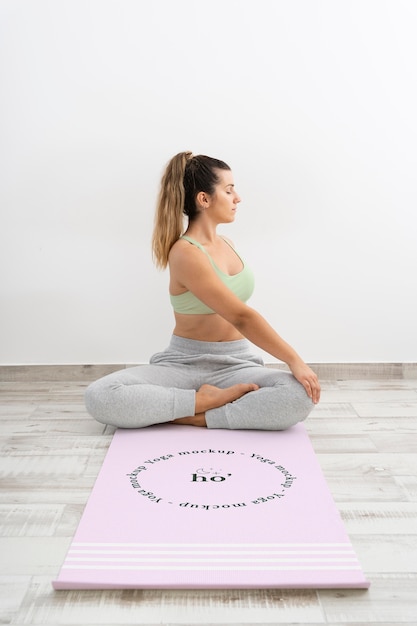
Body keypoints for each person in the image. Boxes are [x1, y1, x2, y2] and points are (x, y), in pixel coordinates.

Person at [85, 151, 320, 430]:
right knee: (101, 396)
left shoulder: (228, 244)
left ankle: (194, 415)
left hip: (237, 364)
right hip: (182, 365)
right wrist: (294, 360)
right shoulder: (186, 253)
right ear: (204, 199)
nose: (238, 198)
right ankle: (203, 403)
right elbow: (241, 316)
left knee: (298, 397)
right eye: (229, 190)